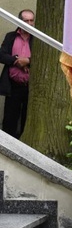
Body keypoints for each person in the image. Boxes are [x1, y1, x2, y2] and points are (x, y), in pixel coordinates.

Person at [0, 9, 34, 139]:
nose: (30, 23)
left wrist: (28, 61)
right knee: (10, 120)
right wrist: (17, 61)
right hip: (13, 86)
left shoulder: (37, 39)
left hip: (31, 88)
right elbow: (2, 55)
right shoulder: (11, 37)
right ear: (20, 22)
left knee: (27, 120)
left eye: (32, 20)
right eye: (26, 20)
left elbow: (43, 59)